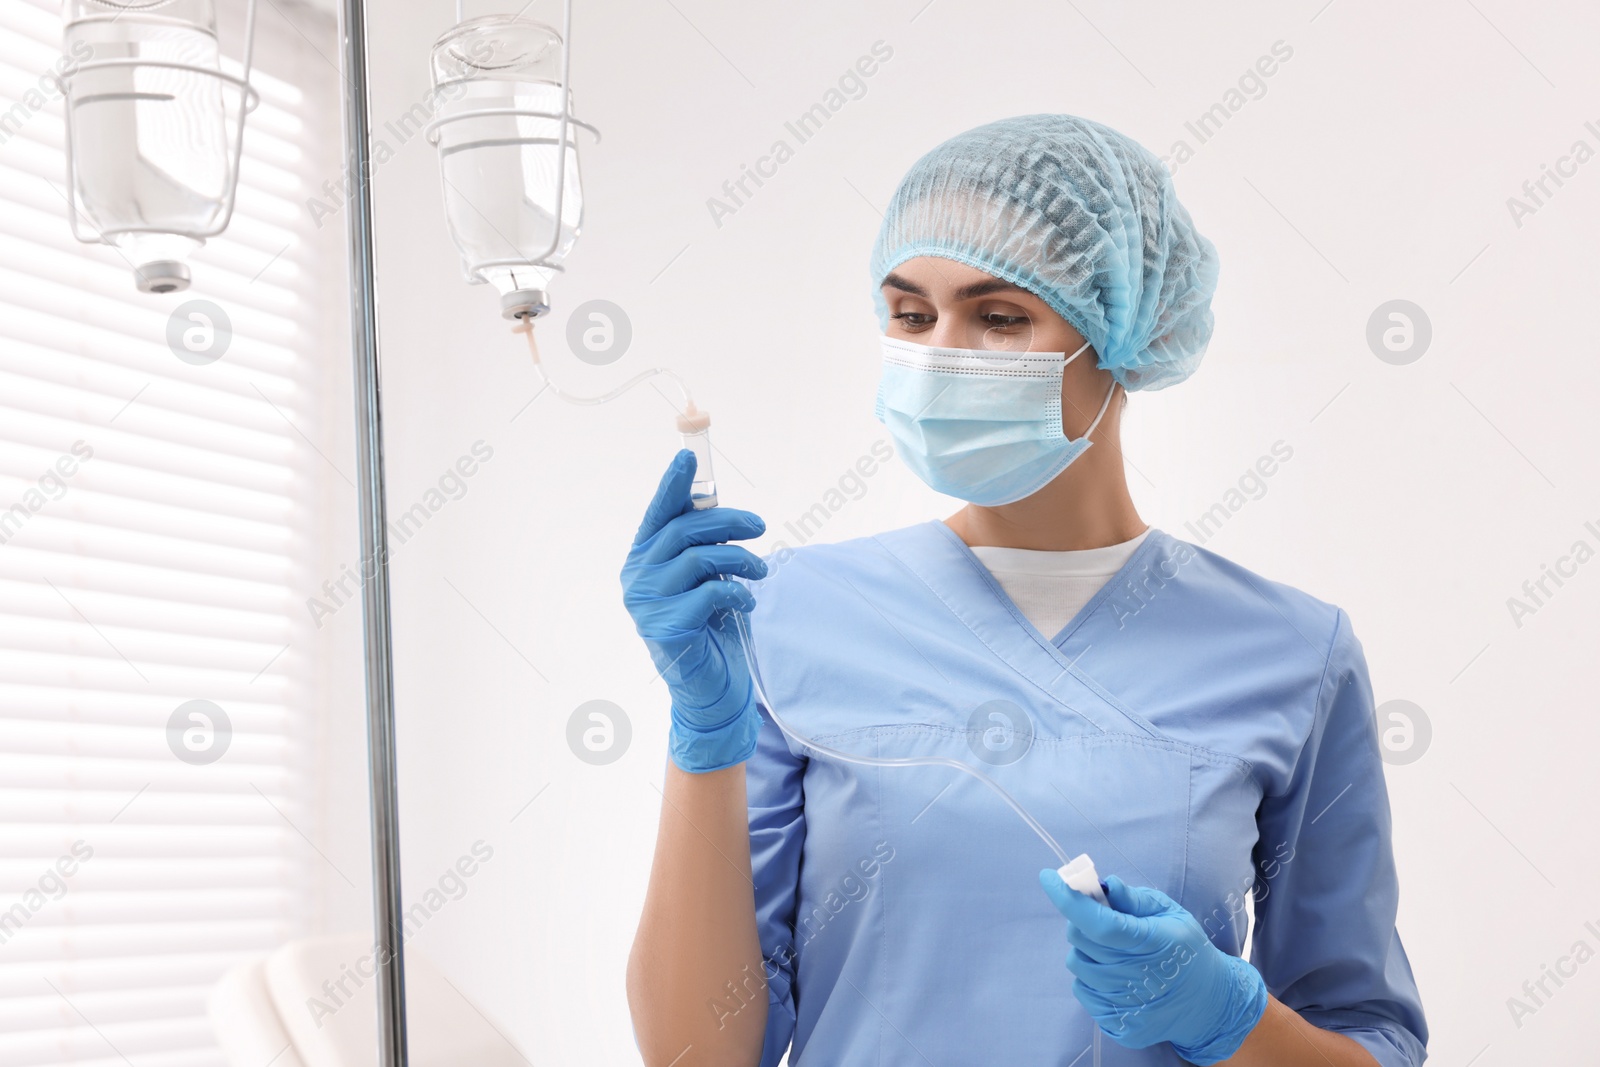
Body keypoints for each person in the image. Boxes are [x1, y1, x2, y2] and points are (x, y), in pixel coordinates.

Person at [622, 114, 1428, 1067]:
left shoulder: (1293, 654)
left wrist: (1230, 1018)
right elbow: (697, 1055)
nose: (941, 355)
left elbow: (1367, 1041)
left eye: (1000, 315)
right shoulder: (787, 614)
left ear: (1124, 332)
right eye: (912, 315)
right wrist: (702, 739)